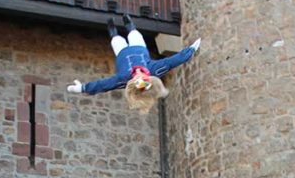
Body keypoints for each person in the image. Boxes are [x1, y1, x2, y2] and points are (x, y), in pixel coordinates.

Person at [66, 14, 201, 113]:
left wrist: (82, 88)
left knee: (117, 40)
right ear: (148, 79)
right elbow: (172, 62)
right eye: (142, 79)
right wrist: (191, 50)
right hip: (138, 47)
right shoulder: (154, 70)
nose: (138, 76)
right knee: (134, 35)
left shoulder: (123, 79)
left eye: (137, 80)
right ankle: (129, 24)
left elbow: (103, 85)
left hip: (122, 52)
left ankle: (112, 29)